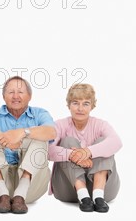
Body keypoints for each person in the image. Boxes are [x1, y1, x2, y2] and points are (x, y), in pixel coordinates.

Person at [0, 76, 56, 214]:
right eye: (11, 92)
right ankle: (2, 194)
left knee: (39, 135)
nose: (15, 96)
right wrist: (2, 138)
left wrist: (22, 133)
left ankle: (20, 195)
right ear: (3, 96)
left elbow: (52, 132)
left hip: (30, 187)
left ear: (29, 96)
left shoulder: (40, 114)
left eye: (20, 92)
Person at [48, 84, 121, 212]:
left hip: (104, 191)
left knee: (103, 142)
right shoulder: (59, 125)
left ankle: (98, 197)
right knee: (67, 141)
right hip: (68, 189)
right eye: (75, 103)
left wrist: (88, 152)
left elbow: (117, 142)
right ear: (68, 105)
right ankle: (83, 196)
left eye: (86, 104)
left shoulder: (100, 124)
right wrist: (72, 155)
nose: (80, 108)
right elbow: (47, 150)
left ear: (92, 106)